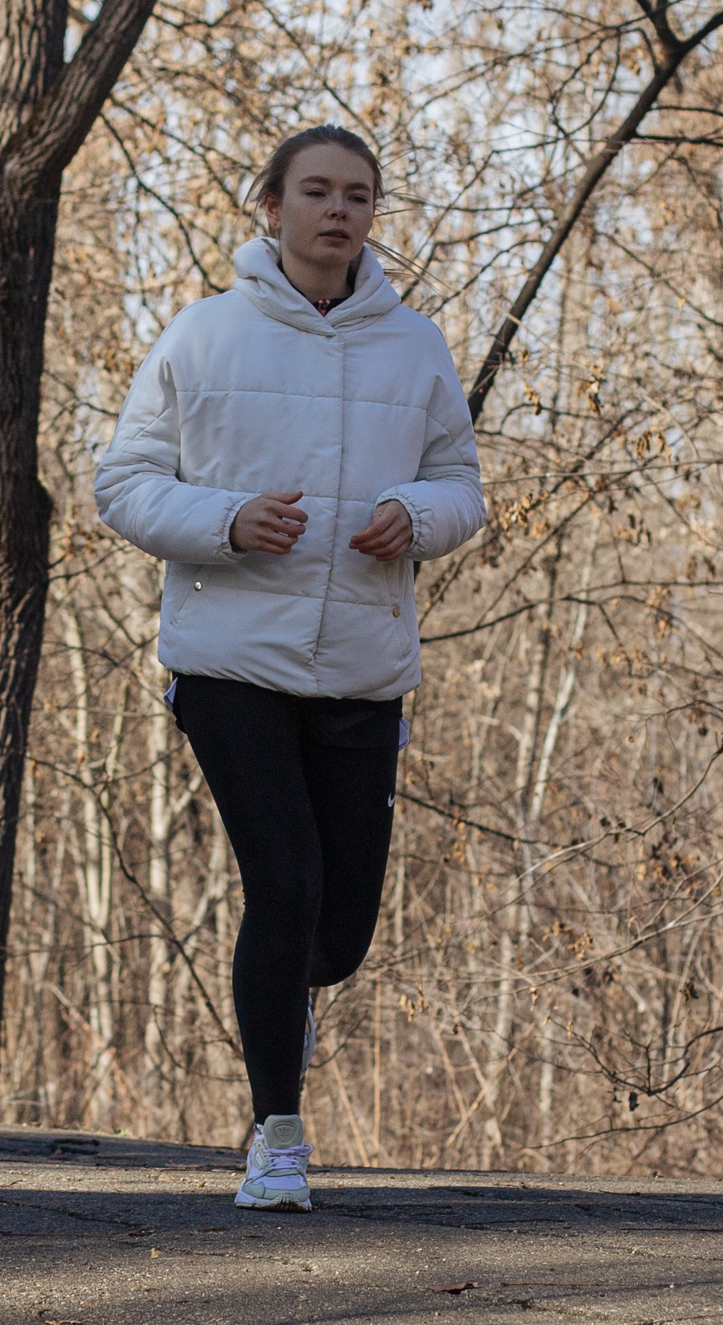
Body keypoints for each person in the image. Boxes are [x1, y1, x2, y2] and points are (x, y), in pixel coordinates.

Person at [95, 126, 486, 1211]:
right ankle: (276, 1138)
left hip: (362, 665)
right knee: (286, 882)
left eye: (357, 195)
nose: (337, 211)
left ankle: (287, 993)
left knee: (340, 933)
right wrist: (224, 520)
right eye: (315, 191)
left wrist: (416, 513)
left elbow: (463, 482)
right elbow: (123, 482)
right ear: (267, 206)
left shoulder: (415, 346)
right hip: (232, 662)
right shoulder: (204, 336)